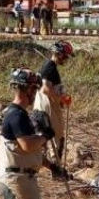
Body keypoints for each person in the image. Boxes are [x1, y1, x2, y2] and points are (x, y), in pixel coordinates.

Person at [0, 68, 67, 199]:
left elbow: (29, 152)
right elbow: (27, 145)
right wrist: (44, 135)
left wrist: (52, 166)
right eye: (34, 89)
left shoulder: (18, 114)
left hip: (13, 176)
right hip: (17, 178)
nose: (35, 93)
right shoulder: (16, 115)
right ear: (26, 89)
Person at [35, 40, 75, 170]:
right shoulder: (49, 67)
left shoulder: (50, 67)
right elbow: (45, 89)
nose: (67, 59)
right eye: (66, 56)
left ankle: (50, 166)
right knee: (56, 138)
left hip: (47, 107)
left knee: (48, 138)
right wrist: (62, 98)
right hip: (47, 108)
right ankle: (56, 169)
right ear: (60, 54)